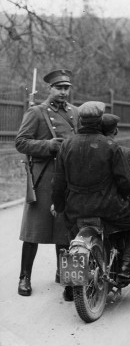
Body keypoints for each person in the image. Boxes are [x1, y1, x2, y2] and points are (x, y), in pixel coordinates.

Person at [52, 101, 130, 279]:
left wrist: (60, 207)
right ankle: (129, 266)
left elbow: (58, 182)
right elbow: (125, 182)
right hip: (108, 208)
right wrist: (123, 197)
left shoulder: (66, 145)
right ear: (99, 120)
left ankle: (70, 282)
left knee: (72, 236)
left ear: (80, 120)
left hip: (75, 208)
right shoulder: (110, 146)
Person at [15, 69, 79, 301]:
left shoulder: (76, 113)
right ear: (49, 89)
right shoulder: (37, 112)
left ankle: (66, 277)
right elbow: (21, 142)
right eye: (59, 88)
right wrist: (48, 146)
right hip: (43, 178)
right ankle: (24, 277)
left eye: (66, 87)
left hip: (67, 178)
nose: (63, 92)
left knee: (66, 231)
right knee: (33, 231)